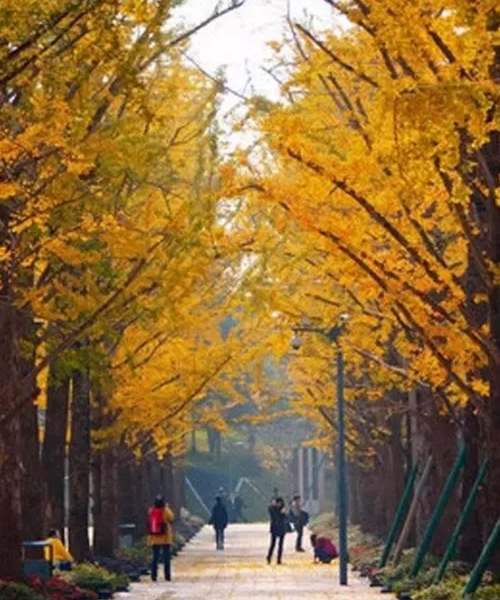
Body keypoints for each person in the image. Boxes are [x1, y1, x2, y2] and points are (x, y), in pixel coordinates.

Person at [147, 495, 174, 582]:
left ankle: (153, 575)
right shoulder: (165, 510)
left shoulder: (151, 510)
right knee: (166, 558)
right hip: (165, 538)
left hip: (155, 538)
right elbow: (172, 518)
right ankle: (167, 576)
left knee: (155, 557)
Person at [266, 497, 288, 565]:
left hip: (282, 528)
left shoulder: (283, 509)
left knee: (280, 545)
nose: (279, 504)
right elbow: (274, 516)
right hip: (275, 528)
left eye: (280, 503)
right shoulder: (272, 509)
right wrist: (273, 506)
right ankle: (269, 557)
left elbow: (285, 518)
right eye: (278, 503)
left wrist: (284, 513)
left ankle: (279, 559)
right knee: (273, 544)